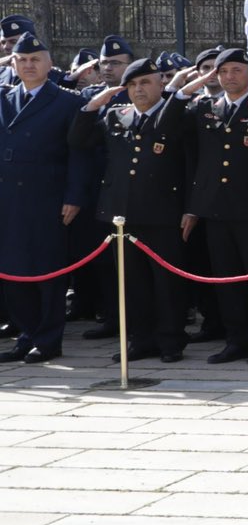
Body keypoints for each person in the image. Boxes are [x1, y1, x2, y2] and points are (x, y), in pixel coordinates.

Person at [72, 56, 195, 361]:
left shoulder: (177, 114)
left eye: (145, 82)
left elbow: (191, 165)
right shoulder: (116, 115)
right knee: (132, 283)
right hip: (122, 214)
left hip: (164, 212)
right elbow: (78, 140)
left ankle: (170, 341)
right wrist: (92, 106)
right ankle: (140, 340)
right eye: (132, 84)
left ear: (160, 84)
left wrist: (190, 209)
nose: (138, 89)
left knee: (166, 283)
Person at [178, 48, 248, 364]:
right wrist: (192, 83)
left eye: (237, 70)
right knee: (226, 280)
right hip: (216, 208)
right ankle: (235, 339)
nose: (229, 77)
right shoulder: (206, 109)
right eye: (223, 72)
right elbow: (176, 128)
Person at [0, 35, 90, 362]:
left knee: (48, 274)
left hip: (48, 198)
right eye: (21, 60)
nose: (28, 65)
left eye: (35, 59)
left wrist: (75, 196)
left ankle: (49, 340)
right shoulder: (5, 98)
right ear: (12, 64)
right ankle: (26, 334)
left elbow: (80, 155)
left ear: (50, 64)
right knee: (13, 272)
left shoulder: (67, 101)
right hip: (9, 201)